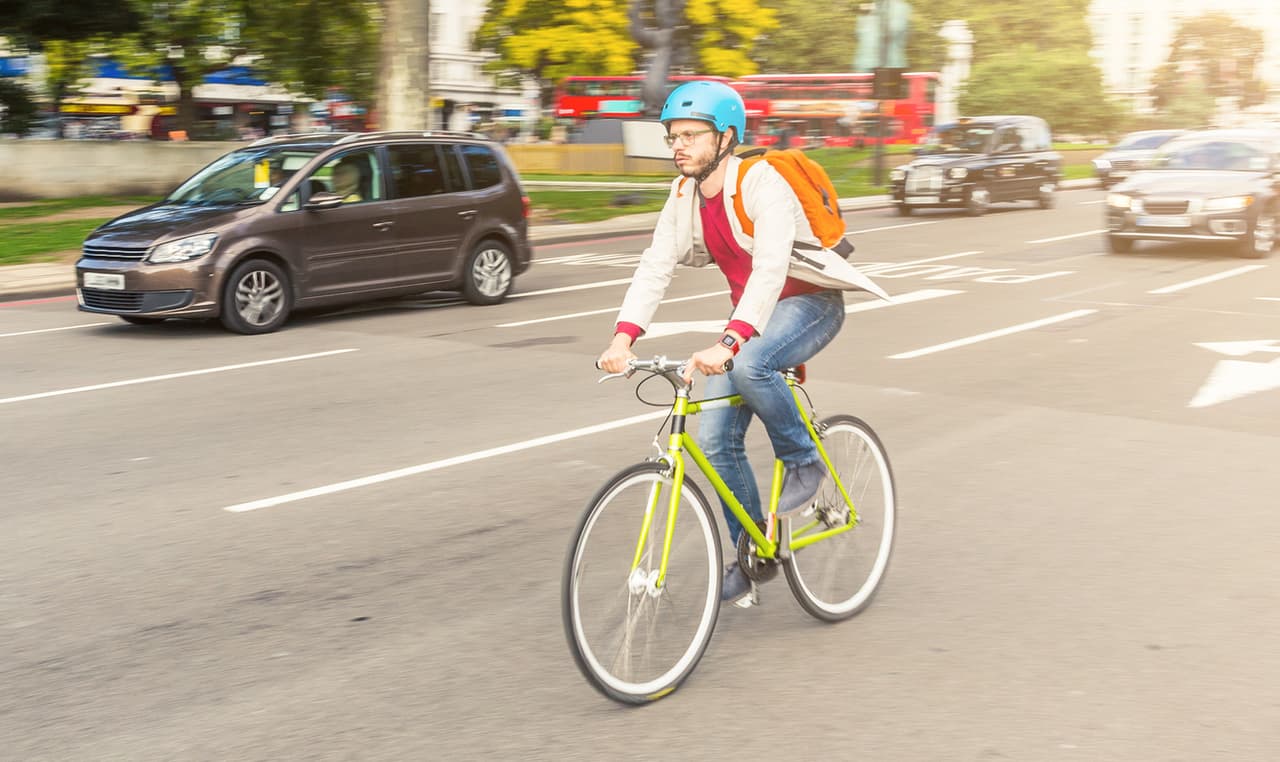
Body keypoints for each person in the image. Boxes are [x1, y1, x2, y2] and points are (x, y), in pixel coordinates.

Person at [595, 81, 889, 607]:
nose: (678, 145)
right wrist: (623, 338)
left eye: (691, 134)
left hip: (810, 304)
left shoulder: (762, 182)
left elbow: (772, 269)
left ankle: (804, 460)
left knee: (751, 362)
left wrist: (730, 341)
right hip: (754, 317)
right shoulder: (684, 194)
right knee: (713, 442)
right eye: (672, 136)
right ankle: (753, 552)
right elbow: (655, 265)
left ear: (726, 136)